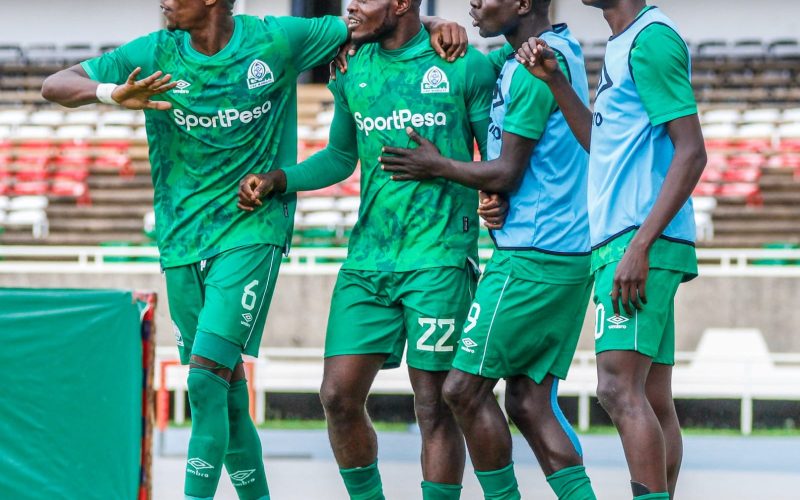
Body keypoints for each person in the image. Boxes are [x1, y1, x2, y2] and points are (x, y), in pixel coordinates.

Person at [41, 1, 468, 499]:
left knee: (203, 383)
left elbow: (376, 24)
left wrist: (438, 21)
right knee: (227, 396)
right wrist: (111, 94)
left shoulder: (276, 40)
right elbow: (55, 85)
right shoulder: (155, 53)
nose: (163, 2)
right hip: (181, 241)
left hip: (252, 230)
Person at [237, 0, 498, 497]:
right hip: (367, 263)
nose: (350, 5)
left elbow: (497, 153)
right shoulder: (352, 67)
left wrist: (492, 199)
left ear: (401, 3)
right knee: (337, 395)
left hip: (439, 258)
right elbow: (340, 155)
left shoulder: (462, 62)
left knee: (433, 405)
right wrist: (278, 179)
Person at [379, 1, 596, 498]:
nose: (473, 3)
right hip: (557, 251)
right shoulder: (540, 54)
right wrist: (435, 24)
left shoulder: (535, 70)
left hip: (532, 256)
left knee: (461, 390)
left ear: (522, 4)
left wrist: (435, 164)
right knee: (528, 404)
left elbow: (507, 171)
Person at [515, 1, 707, 498]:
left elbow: (692, 151)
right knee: (650, 396)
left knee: (617, 388)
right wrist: (556, 82)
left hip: (638, 240)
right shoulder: (622, 42)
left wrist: (639, 247)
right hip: (627, 240)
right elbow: (602, 145)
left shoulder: (651, 39)